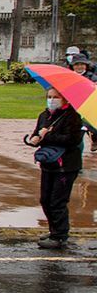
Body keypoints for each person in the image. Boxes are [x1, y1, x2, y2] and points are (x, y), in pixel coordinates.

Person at [25, 88, 84, 248]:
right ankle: (54, 229)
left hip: (65, 166)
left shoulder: (72, 116)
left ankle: (60, 235)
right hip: (48, 164)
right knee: (45, 199)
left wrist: (47, 136)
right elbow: (37, 134)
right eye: (49, 97)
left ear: (64, 99)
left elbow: (72, 139)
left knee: (57, 201)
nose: (51, 100)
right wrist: (35, 139)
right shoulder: (44, 116)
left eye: (56, 97)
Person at [67, 55, 97, 152]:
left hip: (88, 106)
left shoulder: (92, 77)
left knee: (90, 126)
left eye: (82, 64)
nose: (79, 67)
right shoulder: (68, 77)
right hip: (72, 107)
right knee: (77, 129)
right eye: (77, 64)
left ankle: (95, 139)